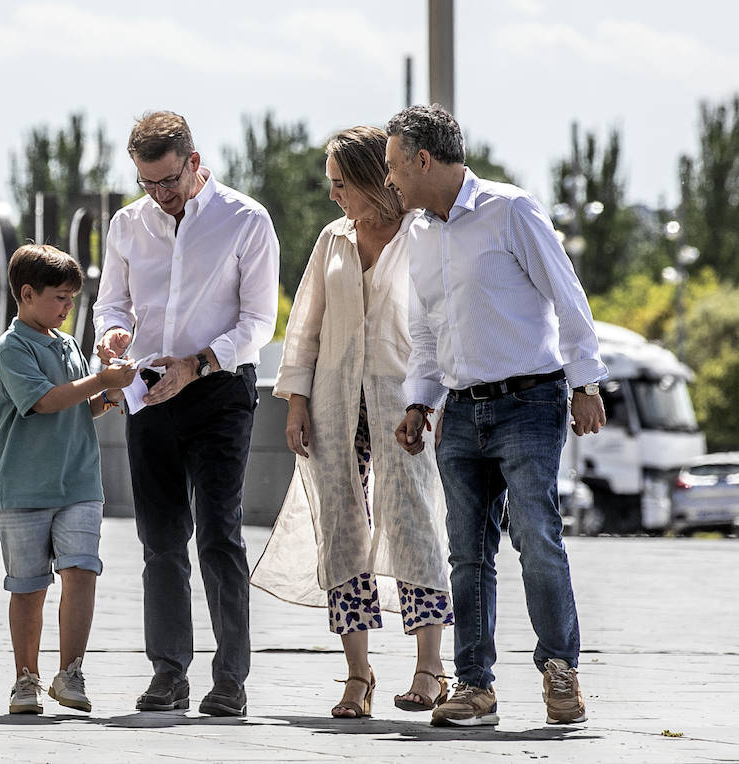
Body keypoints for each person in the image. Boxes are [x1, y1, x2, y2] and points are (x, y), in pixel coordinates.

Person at [386, 104, 607, 728]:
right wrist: (418, 401)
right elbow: (426, 330)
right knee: (467, 553)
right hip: (458, 413)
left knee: (536, 536)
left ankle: (560, 668)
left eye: (395, 167)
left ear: (423, 159)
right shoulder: (419, 234)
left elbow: (567, 294)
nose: (391, 181)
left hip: (530, 402)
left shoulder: (511, 210)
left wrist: (586, 381)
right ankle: (474, 688)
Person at [251, 126, 453, 720]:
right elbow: (305, 325)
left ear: (372, 178)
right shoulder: (332, 240)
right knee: (341, 528)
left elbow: (439, 324)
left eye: (342, 184)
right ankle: (357, 675)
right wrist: (295, 402)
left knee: (414, 524)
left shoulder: (424, 237)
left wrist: (431, 400)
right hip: (333, 405)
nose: (334, 195)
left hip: (404, 404)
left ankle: (429, 668)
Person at [93, 111, 279, 717]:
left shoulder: (245, 220)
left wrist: (197, 365)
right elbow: (111, 305)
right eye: (147, 183)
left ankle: (230, 679)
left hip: (220, 391)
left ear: (194, 163)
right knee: (160, 538)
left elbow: (257, 324)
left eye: (169, 181)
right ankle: (169, 672)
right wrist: (115, 336)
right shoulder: (127, 224)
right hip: (149, 391)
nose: (160, 194)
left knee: (220, 534)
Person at [0, 244, 136, 715]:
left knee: (82, 571)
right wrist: (99, 380)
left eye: (74, 299)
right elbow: (45, 401)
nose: (69, 308)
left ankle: (70, 672)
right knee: (28, 587)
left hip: (79, 483)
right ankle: (25, 680)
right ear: (27, 294)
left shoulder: (68, 344)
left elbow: (82, 407)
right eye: (61, 298)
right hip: (23, 486)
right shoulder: (12, 348)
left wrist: (111, 391)